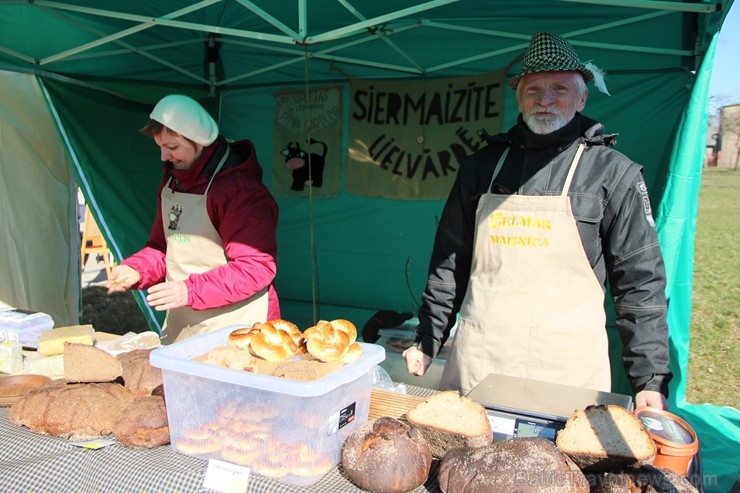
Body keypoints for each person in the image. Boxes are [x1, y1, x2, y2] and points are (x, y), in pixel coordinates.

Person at [403, 32, 671, 410]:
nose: (544, 100)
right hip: (481, 360)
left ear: (582, 98)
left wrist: (650, 378)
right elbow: (450, 260)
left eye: (559, 88)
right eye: (533, 90)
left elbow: (640, 283)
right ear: (518, 98)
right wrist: (429, 337)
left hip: (566, 371)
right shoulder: (481, 167)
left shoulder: (614, 174)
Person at [107, 94, 280, 344]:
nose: (164, 157)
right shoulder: (172, 181)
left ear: (200, 142)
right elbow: (164, 247)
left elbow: (256, 267)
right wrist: (136, 269)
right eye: (161, 147)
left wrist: (189, 290)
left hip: (239, 329)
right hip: (185, 326)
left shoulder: (240, 190)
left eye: (173, 147)